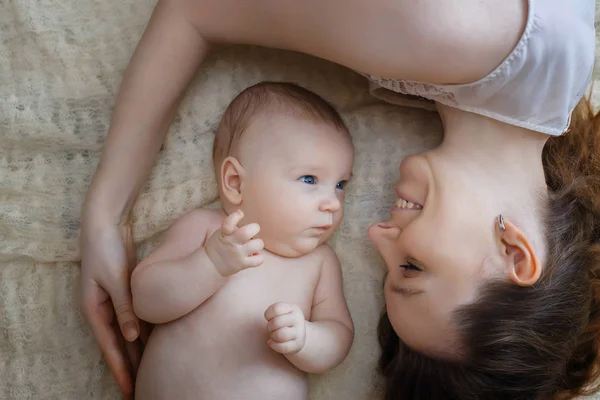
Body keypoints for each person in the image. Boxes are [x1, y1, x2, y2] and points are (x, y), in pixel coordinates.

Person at [79, 0, 599, 399]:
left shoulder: (533, 82)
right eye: (413, 266)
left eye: (389, 269)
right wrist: (106, 214)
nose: (375, 235)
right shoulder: (456, 35)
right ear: (515, 252)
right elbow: (196, 8)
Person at [130, 81, 354, 399]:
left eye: (340, 184)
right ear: (235, 182)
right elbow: (145, 300)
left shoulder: (319, 262)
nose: (333, 202)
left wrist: (308, 339)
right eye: (310, 179)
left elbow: (339, 337)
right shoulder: (207, 230)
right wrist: (209, 264)